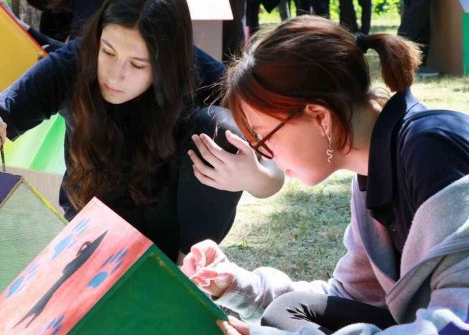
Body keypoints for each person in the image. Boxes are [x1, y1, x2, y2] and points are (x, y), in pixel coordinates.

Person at [184, 15, 469, 334]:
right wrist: (235, 283)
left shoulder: (434, 150)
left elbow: (458, 325)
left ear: (320, 117)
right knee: (286, 312)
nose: (265, 154)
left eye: (264, 136)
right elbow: (351, 297)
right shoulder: (373, 171)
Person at [0, 0, 284, 263]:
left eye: (137, 64)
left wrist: (252, 175)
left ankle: (188, 279)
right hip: (91, 228)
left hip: (174, 236)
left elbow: (273, 174)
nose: (115, 74)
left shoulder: (201, 75)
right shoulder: (73, 62)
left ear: (167, 63)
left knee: (219, 127)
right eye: (108, 51)